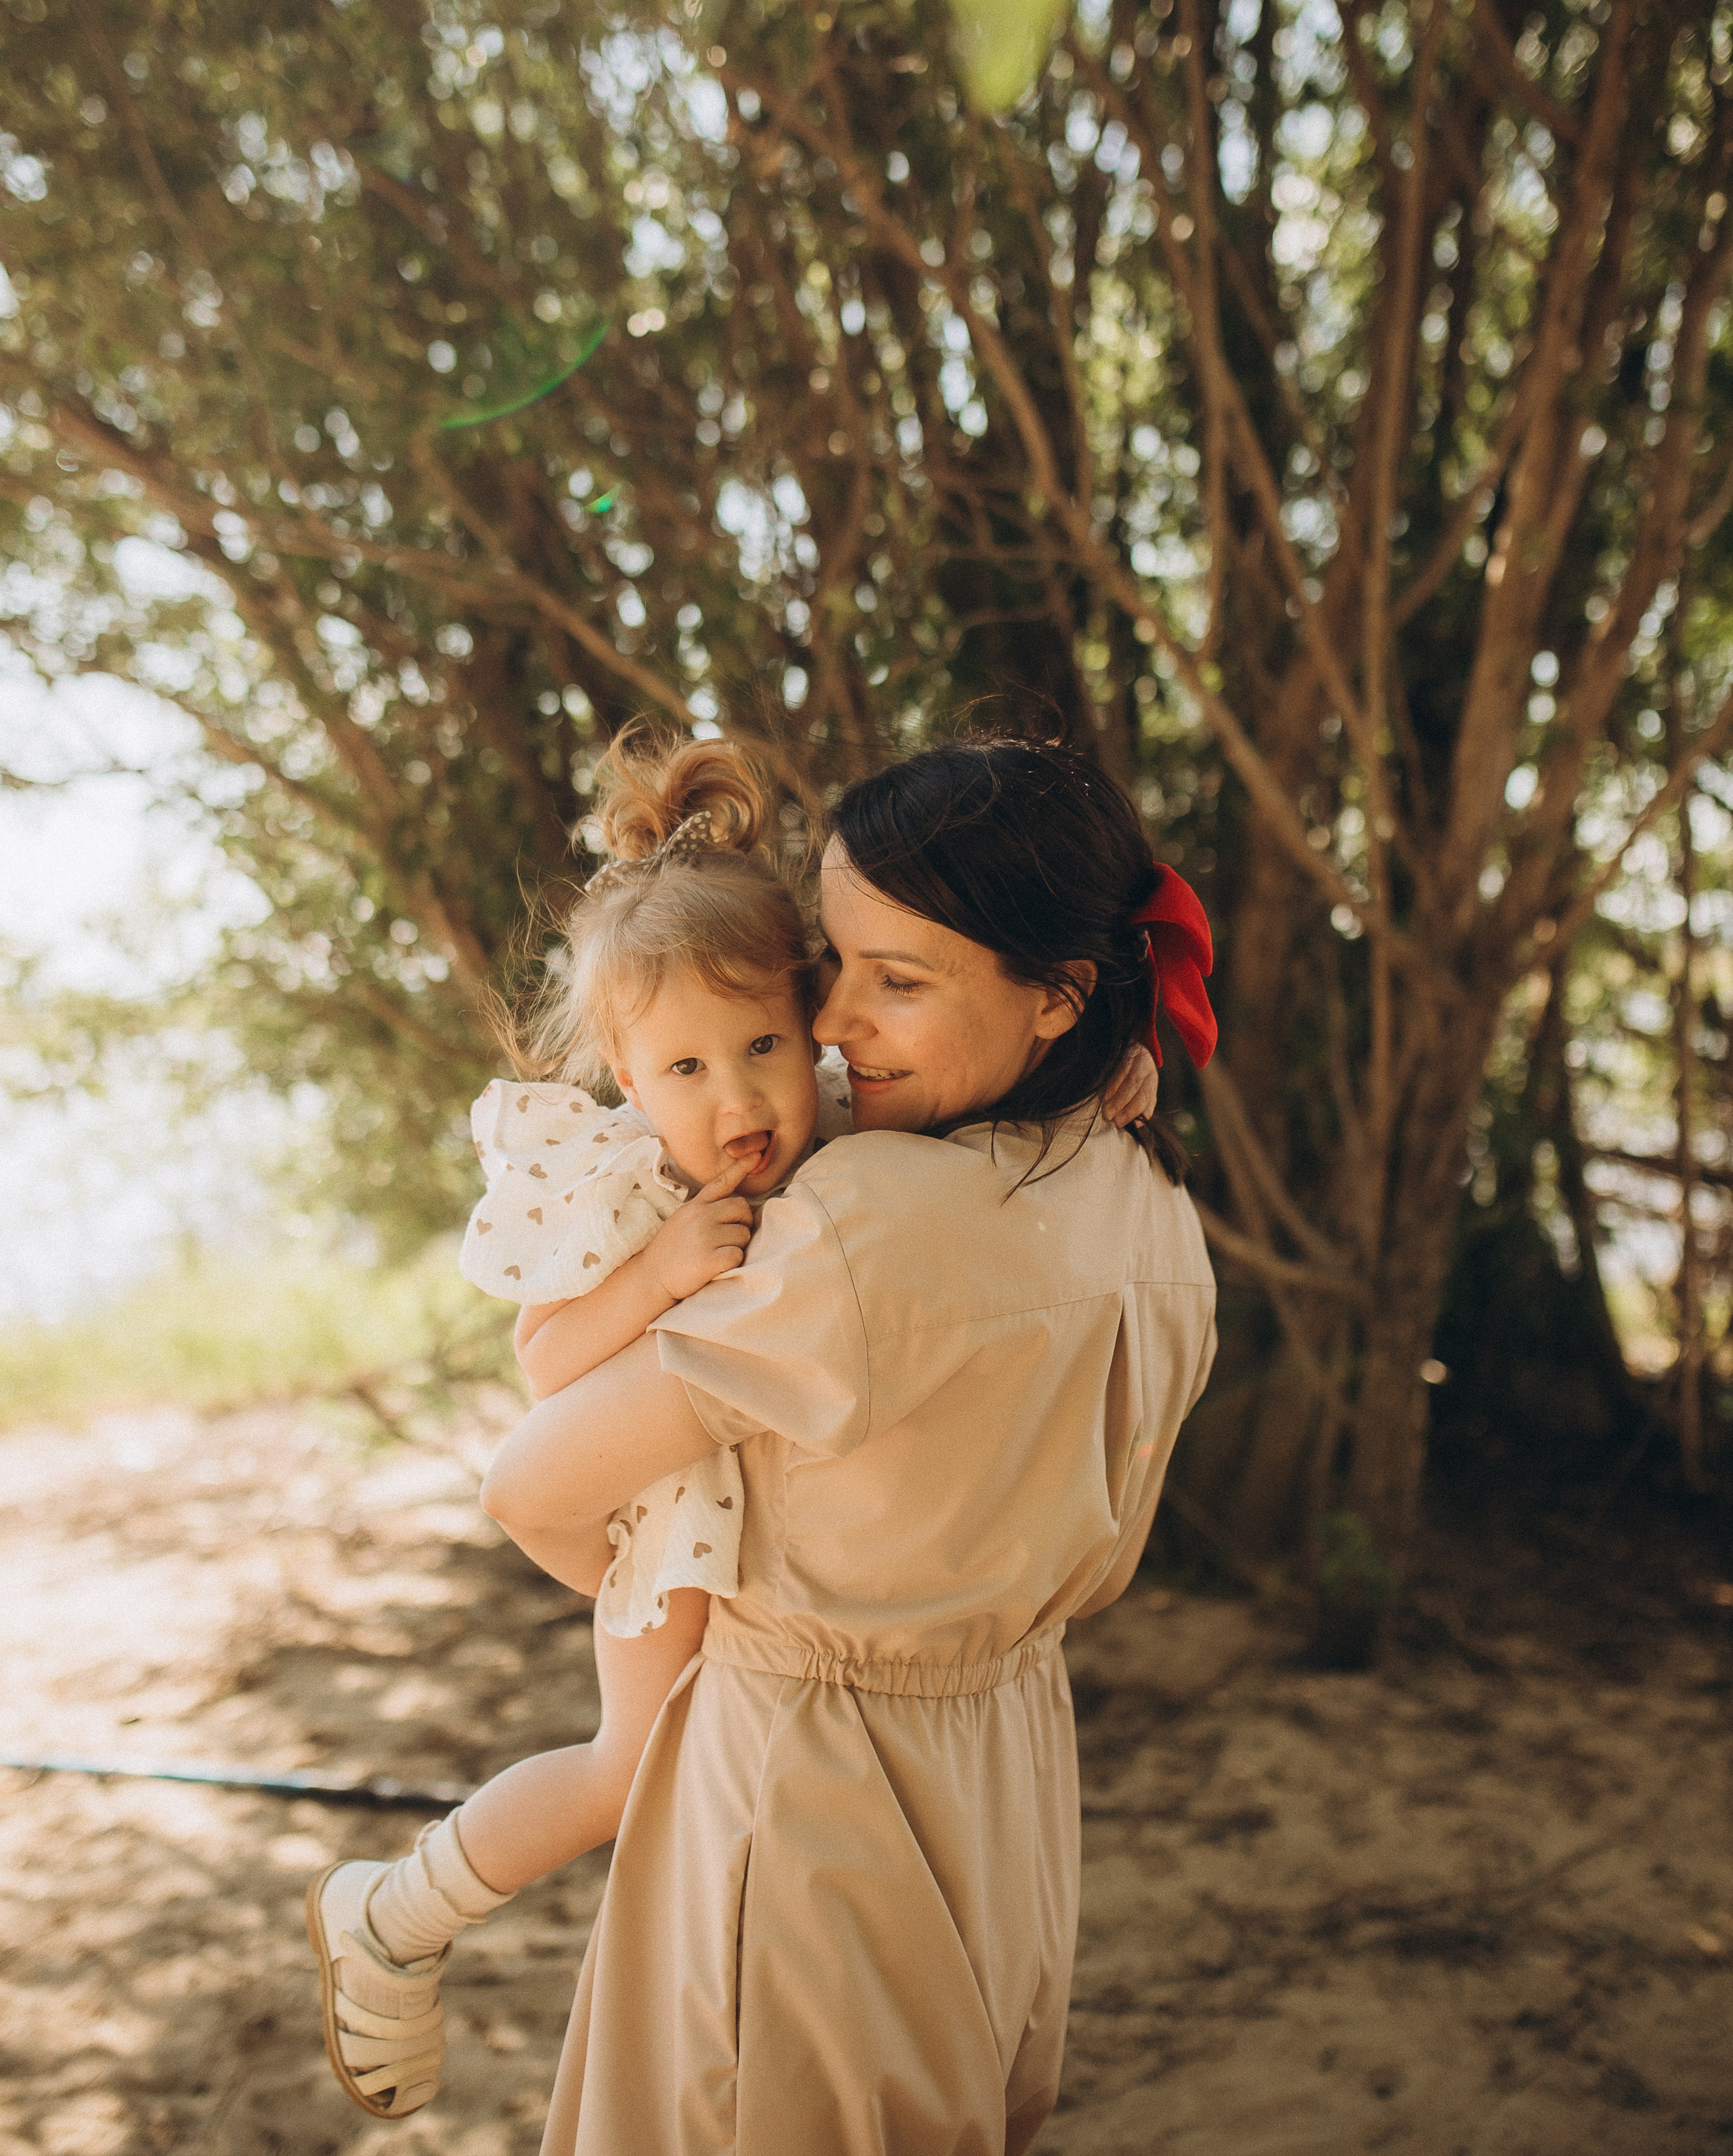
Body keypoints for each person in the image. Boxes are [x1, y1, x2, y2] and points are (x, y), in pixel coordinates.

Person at [305, 733, 1161, 2123]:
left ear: (804, 1010)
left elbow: (978, 1102)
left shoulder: (846, 1103)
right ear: (631, 1086)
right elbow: (545, 1374)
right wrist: (653, 1283)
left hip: (770, 1514)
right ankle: (397, 1912)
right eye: (686, 1069)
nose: (736, 1094)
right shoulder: (632, 1188)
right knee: (626, 1768)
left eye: (763, 1040)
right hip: (675, 1522)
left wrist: (1121, 1078)